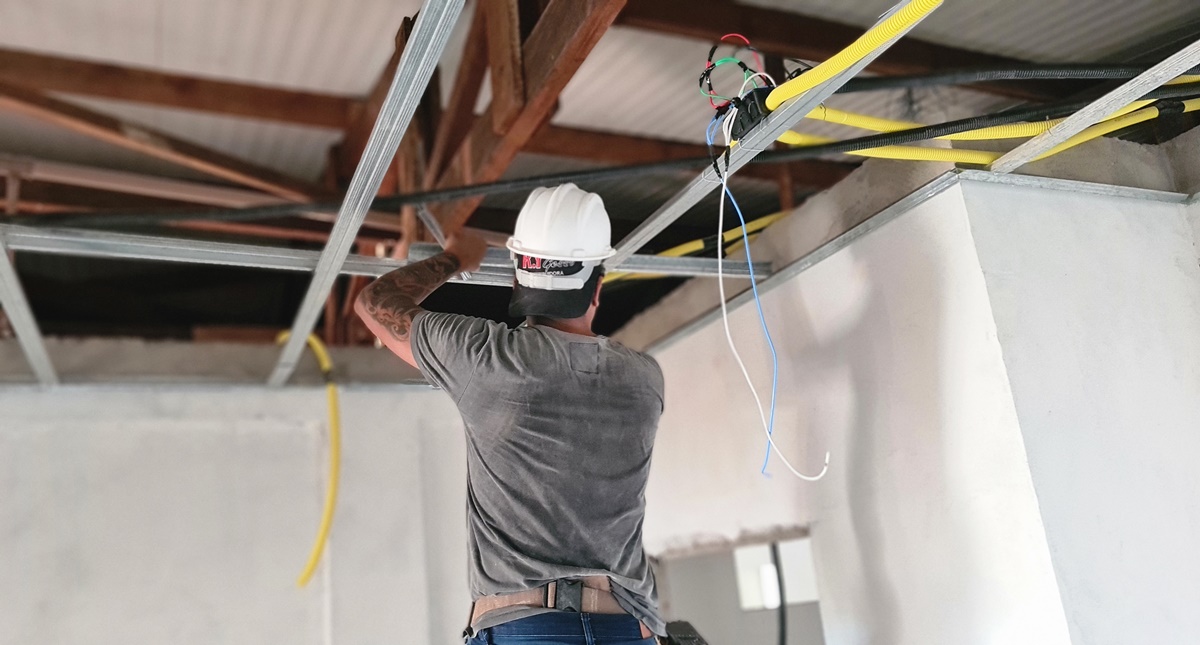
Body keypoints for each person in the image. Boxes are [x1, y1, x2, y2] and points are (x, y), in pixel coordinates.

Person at [354, 183, 665, 645]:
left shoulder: (489, 361)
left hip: (525, 626)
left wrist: (457, 257)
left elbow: (375, 302)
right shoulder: (643, 379)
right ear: (596, 289)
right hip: (626, 621)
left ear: (518, 279)